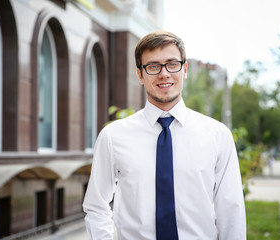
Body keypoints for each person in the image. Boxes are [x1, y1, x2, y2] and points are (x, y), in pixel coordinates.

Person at [83, 30, 246, 239]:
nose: (164, 74)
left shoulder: (217, 135)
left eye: (172, 64)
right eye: (153, 66)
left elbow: (231, 211)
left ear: (184, 69)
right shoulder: (113, 136)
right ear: (140, 75)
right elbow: (96, 206)